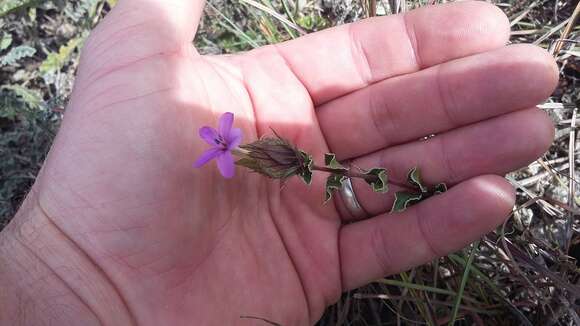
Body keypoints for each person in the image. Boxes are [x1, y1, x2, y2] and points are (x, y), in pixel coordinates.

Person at [0, 0, 558, 325]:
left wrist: (61, 274)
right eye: (221, 147)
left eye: (221, 144)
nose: (221, 147)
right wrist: (67, 270)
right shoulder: (232, 152)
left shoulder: (235, 145)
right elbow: (241, 155)